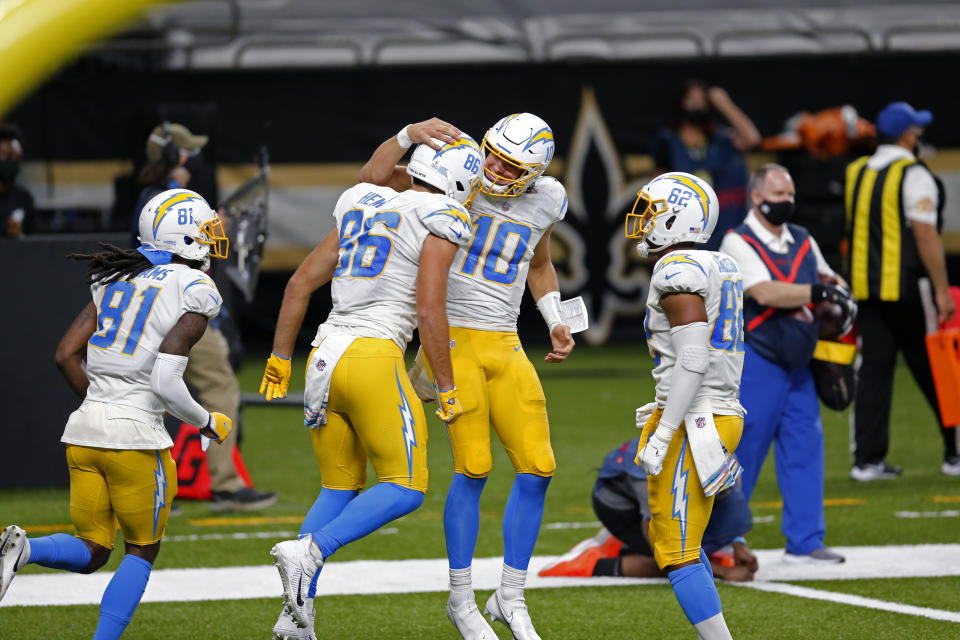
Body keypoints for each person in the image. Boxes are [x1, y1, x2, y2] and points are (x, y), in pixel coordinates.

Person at [358, 114, 575, 640]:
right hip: (452, 340)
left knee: (539, 466)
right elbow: (370, 180)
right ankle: (461, 598)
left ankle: (510, 595)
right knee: (473, 467)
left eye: (511, 163)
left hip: (505, 341)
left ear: (535, 172)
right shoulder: (457, 174)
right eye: (494, 154)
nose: (496, 167)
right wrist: (406, 135)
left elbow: (539, 262)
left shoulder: (547, 198)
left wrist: (556, 319)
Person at [260, 134, 483, 640]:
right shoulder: (443, 217)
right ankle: (310, 552)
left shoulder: (365, 200)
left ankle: (294, 618)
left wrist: (278, 358)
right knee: (406, 486)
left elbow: (298, 283)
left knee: (338, 486)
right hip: (372, 357)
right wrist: (446, 387)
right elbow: (430, 311)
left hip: (323, 355)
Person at [0, 189, 234, 638]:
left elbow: (66, 354)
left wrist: (101, 407)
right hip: (137, 439)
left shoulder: (113, 278)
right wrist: (206, 421)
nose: (210, 239)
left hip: (84, 431)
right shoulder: (196, 288)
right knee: (141, 551)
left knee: (92, 550)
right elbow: (166, 383)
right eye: (204, 231)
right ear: (182, 237)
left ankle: (23, 548)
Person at [135, 122, 277, 511]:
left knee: (148, 396)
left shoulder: (148, 199)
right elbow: (187, 254)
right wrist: (212, 230)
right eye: (183, 153)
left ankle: (151, 486)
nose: (189, 161)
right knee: (219, 387)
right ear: (170, 157)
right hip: (179, 309)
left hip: (150, 312)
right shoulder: (172, 201)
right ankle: (225, 483)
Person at [627, 171, 743, 639]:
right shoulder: (720, 263)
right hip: (716, 411)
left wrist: (663, 427)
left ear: (677, 220)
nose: (643, 221)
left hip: (696, 420)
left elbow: (693, 358)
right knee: (683, 542)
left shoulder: (677, 270)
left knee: (675, 548)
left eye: (651, 212)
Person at [719, 164, 853, 563]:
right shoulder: (737, 241)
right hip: (758, 360)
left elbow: (833, 280)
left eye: (790, 195)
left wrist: (837, 294)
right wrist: (818, 292)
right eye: (778, 195)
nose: (787, 202)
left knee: (805, 448)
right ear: (757, 197)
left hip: (799, 364)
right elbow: (766, 291)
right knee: (742, 453)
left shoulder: (802, 238)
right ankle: (725, 539)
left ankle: (806, 540)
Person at [845, 102, 959, 479]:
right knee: (940, 366)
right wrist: (942, 291)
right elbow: (925, 234)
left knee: (874, 371)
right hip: (910, 287)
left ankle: (867, 460)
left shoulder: (856, 171)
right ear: (908, 135)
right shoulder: (913, 173)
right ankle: (955, 453)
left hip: (867, 287)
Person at [539, 436, 758, 582]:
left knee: (693, 548)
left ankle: (620, 543)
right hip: (617, 504)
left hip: (669, 485)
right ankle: (595, 559)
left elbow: (730, 505)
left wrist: (738, 544)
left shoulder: (721, 460)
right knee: (665, 561)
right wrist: (722, 573)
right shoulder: (654, 473)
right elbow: (660, 547)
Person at [650, 80, 760, 251]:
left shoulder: (722, 139)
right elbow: (655, 192)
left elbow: (752, 139)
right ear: (680, 103)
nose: (697, 104)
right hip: (687, 232)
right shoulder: (667, 141)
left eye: (702, 100)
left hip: (727, 226)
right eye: (691, 99)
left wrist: (724, 102)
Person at [0, 122, 34, 238]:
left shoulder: (24, 198)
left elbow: (37, 244)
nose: (13, 162)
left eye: (17, 157)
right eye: (8, 156)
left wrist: (19, 236)